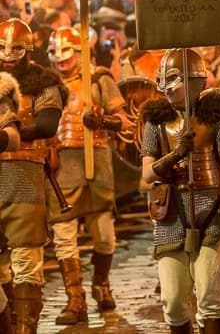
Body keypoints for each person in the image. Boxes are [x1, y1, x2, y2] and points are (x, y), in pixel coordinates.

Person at [140, 49, 220, 333]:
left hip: (209, 209)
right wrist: (176, 155)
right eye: (163, 79)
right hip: (171, 214)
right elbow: (147, 174)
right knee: (173, 300)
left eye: (174, 78)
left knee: (211, 297)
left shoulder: (215, 120)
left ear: (194, 80)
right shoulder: (156, 122)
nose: (167, 86)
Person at [47, 26, 128, 324]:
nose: (60, 59)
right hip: (60, 167)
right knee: (63, 234)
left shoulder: (98, 79)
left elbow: (125, 122)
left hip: (96, 161)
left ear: (79, 51)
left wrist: (103, 120)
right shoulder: (45, 84)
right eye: (54, 53)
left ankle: (100, 284)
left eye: (66, 53)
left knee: (105, 235)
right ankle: (75, 298)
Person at [0, 18, 65, 333]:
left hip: (24, 177)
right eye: (2, 47)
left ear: (28, 49)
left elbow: (47, 126)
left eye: (16, 48)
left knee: (26, 263)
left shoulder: (43, 83)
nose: (9, 53)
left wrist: (9, 131)